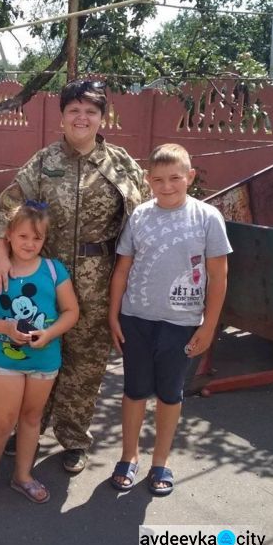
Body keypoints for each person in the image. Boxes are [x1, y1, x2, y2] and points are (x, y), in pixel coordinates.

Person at [0, 79, 150, 473]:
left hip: (100, 279)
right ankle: (31, 427)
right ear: (62, 116)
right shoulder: (44, 163)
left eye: (91, 111)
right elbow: (7, 206)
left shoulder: (121, 164)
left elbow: (147, 217)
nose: (82, 117)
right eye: (74, 110)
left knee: (86, 363)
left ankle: (74, 438)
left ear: (102, 117)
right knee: (35, 350)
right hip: (45, 278)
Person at [108, 143, 232, 496]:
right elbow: (122, 270)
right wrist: (113, 316)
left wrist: (208, 326)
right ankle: (128, 456)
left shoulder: (207, 219)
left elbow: (219, 276)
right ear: (148, 181)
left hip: (182, 324)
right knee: (134, 390)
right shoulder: (141, 216)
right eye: (159, 180)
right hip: (136, 319)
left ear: (189, 177)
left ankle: (160, 461)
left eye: (175, 178)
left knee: (169, 393)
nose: (167, 186)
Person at [0, 202, 79, 506]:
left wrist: (49, 334)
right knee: (3, 422)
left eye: (37, 238)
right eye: (23, 237)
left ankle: (23, 476)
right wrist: (5, 327)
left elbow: (71, 312)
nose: (30, 244)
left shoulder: (54, 270)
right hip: (5, 361)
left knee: (31, 419)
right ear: (9, 236)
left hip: (45, 359)